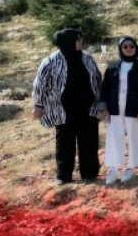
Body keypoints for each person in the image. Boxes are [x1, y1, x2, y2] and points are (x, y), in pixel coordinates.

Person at [32, 28, 103, 185]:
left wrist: (102, 103)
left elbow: (97, 79)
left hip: (88, 108)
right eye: (78, 39)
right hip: (63, 110)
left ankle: (89, 174)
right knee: (65, 144)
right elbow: (39, 85)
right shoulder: (51, 61)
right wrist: (38, 105)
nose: (81, 41)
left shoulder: (87, 58)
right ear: (69, 42)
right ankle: (63, 176)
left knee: (89, 142)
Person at [100, 36, 138, 185]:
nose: (129, 49)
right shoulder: (112, 67)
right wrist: (103, 108)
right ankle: (113, 168)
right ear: (120, 49)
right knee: (114, 138)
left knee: (134, 137)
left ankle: (131, 167)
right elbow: (104, 88)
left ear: (135, 48)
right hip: (115, 109)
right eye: (125, 47)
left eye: (131, 46)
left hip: (134, 110)